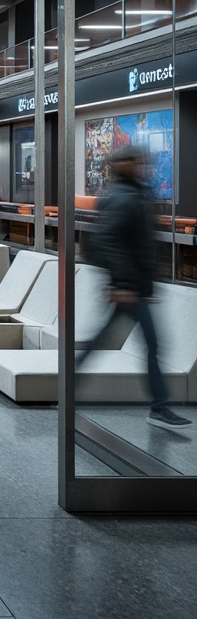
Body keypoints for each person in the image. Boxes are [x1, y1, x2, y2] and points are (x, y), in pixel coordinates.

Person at [76, 145, 191, 429]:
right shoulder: (123, 199)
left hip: (134, 287)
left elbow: (137, 244)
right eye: (138, 161)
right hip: (128, 288)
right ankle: (160, 406)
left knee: (104, 339)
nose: (143, 165)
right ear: (124, 165)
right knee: (152, 344)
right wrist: (123, 283)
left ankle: (69, 384)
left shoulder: (134, 195)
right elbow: (105, 243)